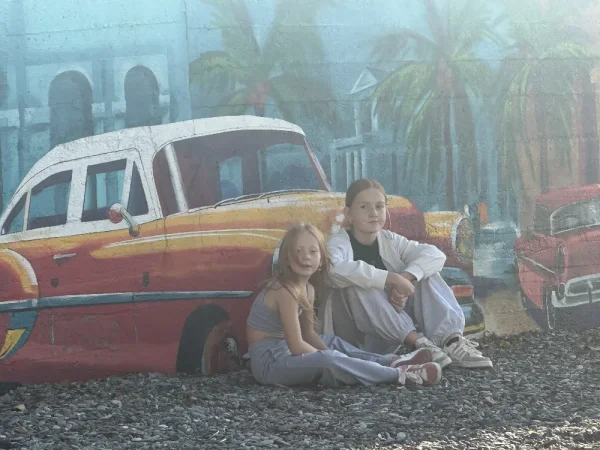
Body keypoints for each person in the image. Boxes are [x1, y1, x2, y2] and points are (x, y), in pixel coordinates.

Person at [321, 179, 492, 369]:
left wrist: (406, 278)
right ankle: (420, 344)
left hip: (385, 337)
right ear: (348, 213)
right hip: (351, 340)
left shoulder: (390, 240)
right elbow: (333, 269)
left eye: (379, 206)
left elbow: (435, 255)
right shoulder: (338, 242)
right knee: (358, 282)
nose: (373, 212)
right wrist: (391, 279)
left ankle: (451, 342)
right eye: (364, 207)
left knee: (424, 272)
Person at [246, 223, 442, 388]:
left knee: (332, 342)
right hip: (269, 363)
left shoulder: (308, 289)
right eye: (298, 251)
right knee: (328, 360)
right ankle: (398, 374)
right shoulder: (285, 291)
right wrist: (332, 358)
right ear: (286, 259)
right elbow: (297, 346)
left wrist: (332, 353)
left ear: (321, 260)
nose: (305, 256)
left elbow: (309, 334)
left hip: (285, 351)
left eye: (313, 251)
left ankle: (390, 361)